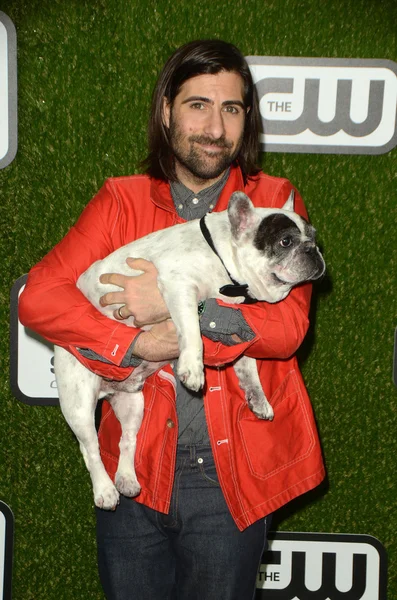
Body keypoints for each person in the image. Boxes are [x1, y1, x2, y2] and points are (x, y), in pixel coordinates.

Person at [19, 39, 325, 600]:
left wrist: (176, 309)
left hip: (233, 477)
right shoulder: (121, 201)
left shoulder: (275, 201)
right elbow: (38, 299)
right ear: (167, 110)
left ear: (247, 120)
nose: (215, 126)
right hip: (136, 472)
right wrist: (131, 342)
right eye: (198, 105)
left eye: (231, 108)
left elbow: (286, 331)